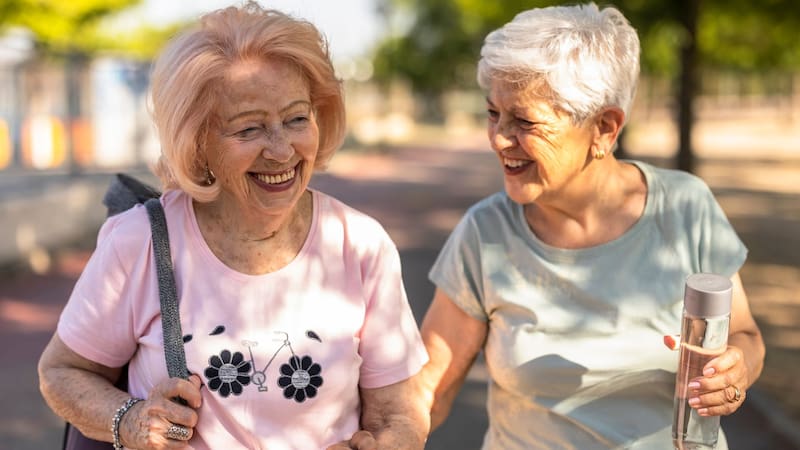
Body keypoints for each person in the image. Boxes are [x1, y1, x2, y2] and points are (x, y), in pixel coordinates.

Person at [37, 3, 429, 449]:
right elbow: (62, 372)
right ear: (197, 142)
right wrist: (130, 420)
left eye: (297, 118)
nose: (282, 151)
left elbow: (400, 412)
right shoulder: (140, 241)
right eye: (249, 130)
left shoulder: (360, 245)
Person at [415, 3, 765, 449]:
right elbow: (429, 387)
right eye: (492, 112)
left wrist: (736, 371)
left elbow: (745, 336)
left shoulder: (686, 208)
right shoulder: (485, 233)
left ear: (603, 127)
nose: (499, 137)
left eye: (524, 121)